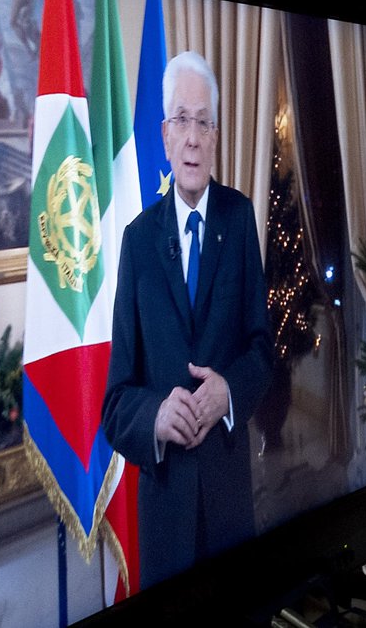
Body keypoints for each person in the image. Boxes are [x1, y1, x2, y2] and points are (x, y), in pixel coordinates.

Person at [102, 50, 273, 589]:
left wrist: (228, 393)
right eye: (182, 120)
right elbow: (115, 400)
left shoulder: (240, 218)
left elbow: (262, 351)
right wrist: (153, 416)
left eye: (204, 122)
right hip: (165, 511)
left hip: (229, 502)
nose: (193, 136)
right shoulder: (136, 241)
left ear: (216, 135)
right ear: (165, 133)